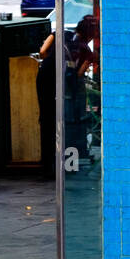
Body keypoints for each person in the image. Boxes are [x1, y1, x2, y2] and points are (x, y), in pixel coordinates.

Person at [36, 15, 96, 179]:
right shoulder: (86, 50)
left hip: (46, 76)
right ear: (91, 35)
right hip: (66, 84)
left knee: (46, 119)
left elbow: (42, 51)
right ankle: (69, 163)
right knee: (67, 121)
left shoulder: (60, 33)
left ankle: (47, 167)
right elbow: (79, 73)